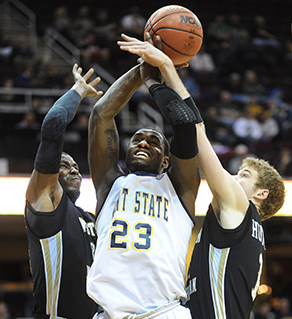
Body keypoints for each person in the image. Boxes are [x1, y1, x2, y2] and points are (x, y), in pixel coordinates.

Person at [86, 33, 201, 319]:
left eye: (153, 141)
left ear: (166, 161)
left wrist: (160, 72)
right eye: (137, 140)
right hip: (109, 313)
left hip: (164, 312)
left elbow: (186, 128)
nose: (143, 143)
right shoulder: (110, 184)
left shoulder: (180, 188)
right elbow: (101, 114)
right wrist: (141, 69)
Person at [185, 98, 285, 316]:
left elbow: (199, 134)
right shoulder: (252, 228)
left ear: (261, 193)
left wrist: (167, 75)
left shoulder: (241, 208)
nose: (233, 178)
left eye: (244, 176)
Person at [24, 64, 103, 319]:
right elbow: (54, 125)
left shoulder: (92, 220)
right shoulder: (44, 201)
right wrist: (79, 89)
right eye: (64, 164)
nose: (75, 170)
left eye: (77, 166)